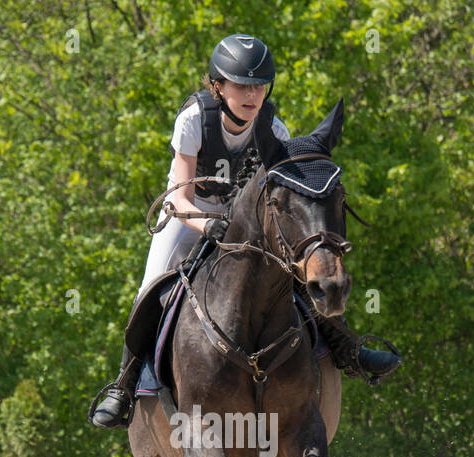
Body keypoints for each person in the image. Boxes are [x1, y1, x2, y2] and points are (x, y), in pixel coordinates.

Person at [89, 33, 400, 429]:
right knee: (152, 285)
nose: (252, 94)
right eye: (241, 85)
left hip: (244, 221)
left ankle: (347, 349)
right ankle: (125, 384)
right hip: (190, 214)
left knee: (299, 276)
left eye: (259, 86)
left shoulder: (276, 130)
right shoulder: (194, 119)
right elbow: (179, 195)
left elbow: (279, 199)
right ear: (218, 86)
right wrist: (208, 223)